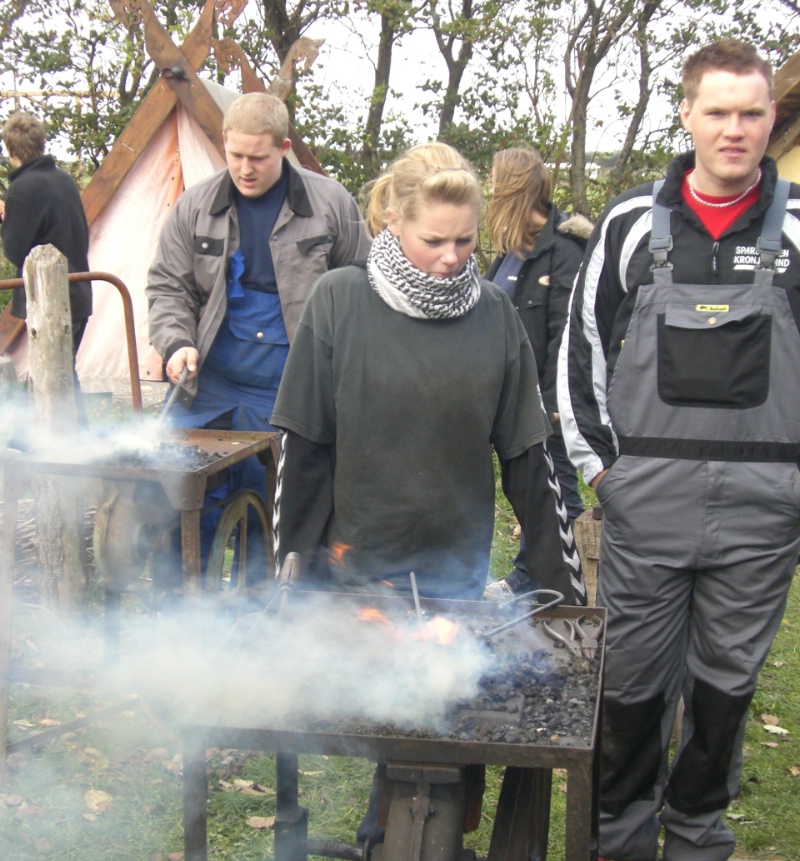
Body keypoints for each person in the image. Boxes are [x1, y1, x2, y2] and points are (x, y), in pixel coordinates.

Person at [558, 38, 800, 861]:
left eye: (751, 112)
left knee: (725, 685)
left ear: (771, 118)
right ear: (688, 114)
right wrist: (604, 469)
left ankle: (696, 840)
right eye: (718, 111)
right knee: (629, 679)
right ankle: (618, 832)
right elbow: (579, 350)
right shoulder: (631, 224)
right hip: (646, 496)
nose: (735, 129)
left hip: (766, 503)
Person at [272, 140, 585, 603]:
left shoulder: (494, 313)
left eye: (464, 240)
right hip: (351, 583)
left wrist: (564, 594)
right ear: (395, 221)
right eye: (433, 241)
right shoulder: (338, 300)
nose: (451, 257)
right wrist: (293, 590)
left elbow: (530, 463)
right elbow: (302, 452)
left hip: (456, 585)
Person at [146, 92, 370, 582]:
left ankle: (262, 607)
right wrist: (176, 342)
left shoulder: (331, 204)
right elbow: (168, 287)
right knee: (180, 492)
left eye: (258, 158)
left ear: (284, 148)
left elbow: (362, 289)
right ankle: (182, 601)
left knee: (273, 509)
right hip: (209, 383)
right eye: (235, 155)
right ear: (224, 144)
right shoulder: (195, 206)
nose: (245, 169)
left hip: (292, 389)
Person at [484, 145, 591, 597]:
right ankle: (529, 577)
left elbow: (568, 336)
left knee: (557, 491)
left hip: (547, 404)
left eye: (494, 182)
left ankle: (560, 586)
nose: (489, 190)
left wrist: (553, 404)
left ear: (510, 188)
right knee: (530, 492)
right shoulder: (510, 252)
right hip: (508, 398)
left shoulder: (564, 251)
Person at [1, 110, 92, 362]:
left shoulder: (21, 190)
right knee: (64, 373)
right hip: (78, 291)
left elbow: (14, 251)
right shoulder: (64, 180)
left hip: (50, 301)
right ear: (41, 144)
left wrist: (8, 218)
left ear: (11, 151)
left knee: (54, 378)